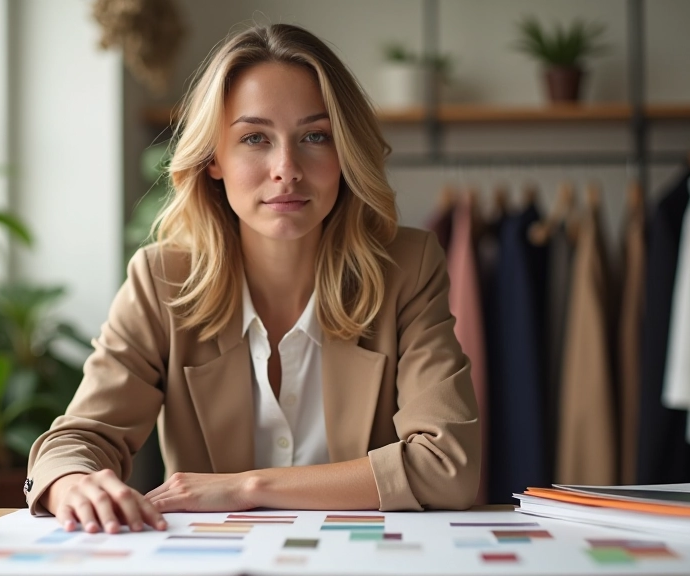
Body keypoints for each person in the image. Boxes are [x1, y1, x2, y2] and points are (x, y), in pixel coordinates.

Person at [26, 23, 479, 534]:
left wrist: (247, 487)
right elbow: (76, 442)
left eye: (315, 136)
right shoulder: (161, 280)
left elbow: (449, 466)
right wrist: (73, 482)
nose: (286, 169)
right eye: (254, 138)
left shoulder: (408, 268)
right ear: (214, 158)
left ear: (346, 153)